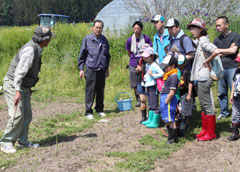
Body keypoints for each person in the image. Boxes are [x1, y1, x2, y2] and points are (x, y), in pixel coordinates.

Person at [0, 26, 53, 154]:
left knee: (27, 115)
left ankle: (23, 142)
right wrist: (17, 91)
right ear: (44, 39)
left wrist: (27, 88)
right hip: (14, 84)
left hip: (24, 87)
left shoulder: (37, 48)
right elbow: (19, 72)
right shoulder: (30, 50)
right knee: (17, 114)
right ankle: (5, 143)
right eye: (49, 38)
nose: (51, 40)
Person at [188, 18, 221, 141]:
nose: (192, 30)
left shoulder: (203, 41)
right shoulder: (199, 41)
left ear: (201, 29)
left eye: (194, 28)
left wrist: (208, 60)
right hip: (200, 77)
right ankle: (205, 130)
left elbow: (216, 51)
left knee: (207, 104)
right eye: (191, 28)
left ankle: (211, 133)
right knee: (202, 104)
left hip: (204, 77)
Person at [78, 20, 111, 120]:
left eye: (100, 27)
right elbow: (82, 55)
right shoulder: (87, 39)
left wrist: (106, 68)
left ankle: (100, 109)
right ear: (93, 28)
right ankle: (88, 111)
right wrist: (81, 69)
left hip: (101, 68)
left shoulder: (104, 40)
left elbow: (107, 56)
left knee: (100, 90)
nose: (98, 29)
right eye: (96, 27)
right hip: (91, 68)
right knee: (90, 91)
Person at [213, 16, 240, 120]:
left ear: (226, 25)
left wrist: (220, 51)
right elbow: (214, 53)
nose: (217, 28)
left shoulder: (235, 36)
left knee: (236, 92)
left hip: (233, 67)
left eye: (219, 25)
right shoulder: (217, 39)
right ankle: (224, 112)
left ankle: (236, 112)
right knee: (221, 92)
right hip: (220, 68)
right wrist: (227, 50)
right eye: (216, 26)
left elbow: (234, 51)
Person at [125, 21, 152, 107]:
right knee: (134, 82)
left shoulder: (146, 38)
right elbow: (129, 52)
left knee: (144, 80)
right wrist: (134, 60)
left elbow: (150, 48)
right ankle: (138, 99)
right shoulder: (130, 39)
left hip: (143, 62)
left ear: (141, 29)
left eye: (138, 28)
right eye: (135, 28)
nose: (136, 30)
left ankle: (145, 97)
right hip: (133, 63)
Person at [141, 47, 164, 128]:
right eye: (144, 56)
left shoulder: (154, 65)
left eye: (147, 56)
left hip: (153, 86)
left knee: (154, 103)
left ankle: (156, 122)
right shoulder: (147, 64)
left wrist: (153, 75)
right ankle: (150, 120)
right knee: (150, 103)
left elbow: (162, 73)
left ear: (152, 56)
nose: (145, 58)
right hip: (148, 86)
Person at [160, 54, 179, 144]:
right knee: (168, 119)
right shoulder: (169, 75)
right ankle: (171, 134)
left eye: (166, 67)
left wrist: (166, 101)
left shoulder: (174, 76)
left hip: (168, 99)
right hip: (165, 97)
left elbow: (172, 91)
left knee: (171, 120)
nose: (164, 69)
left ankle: (172, 140)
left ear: (173, 66)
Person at [177, 54, 194, 136]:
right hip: (178, 92)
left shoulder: (187, 71)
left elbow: (190, 83)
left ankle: (184, 128)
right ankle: (179, 125)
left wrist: (189, 94)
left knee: (185, 111)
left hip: (186, 92)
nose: (180, 66)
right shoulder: (177, 71)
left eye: (182, 64)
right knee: (179, 110)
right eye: (179, 64)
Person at [136, 44, 151, 123]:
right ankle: (143, 117)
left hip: (148, 82)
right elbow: (137, 71)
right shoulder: (139, 61)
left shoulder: (151, 61)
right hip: (140, 81)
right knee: (142, 100)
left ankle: (150, 117)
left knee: (150, 100)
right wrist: (137, 70)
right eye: (141, 52)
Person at [228, 56, 240, 141]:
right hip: (237, 96)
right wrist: (231, 95)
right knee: (235, 114)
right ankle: (235, 133)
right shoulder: (237, 71)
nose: (237, 63)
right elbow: (233, 83)